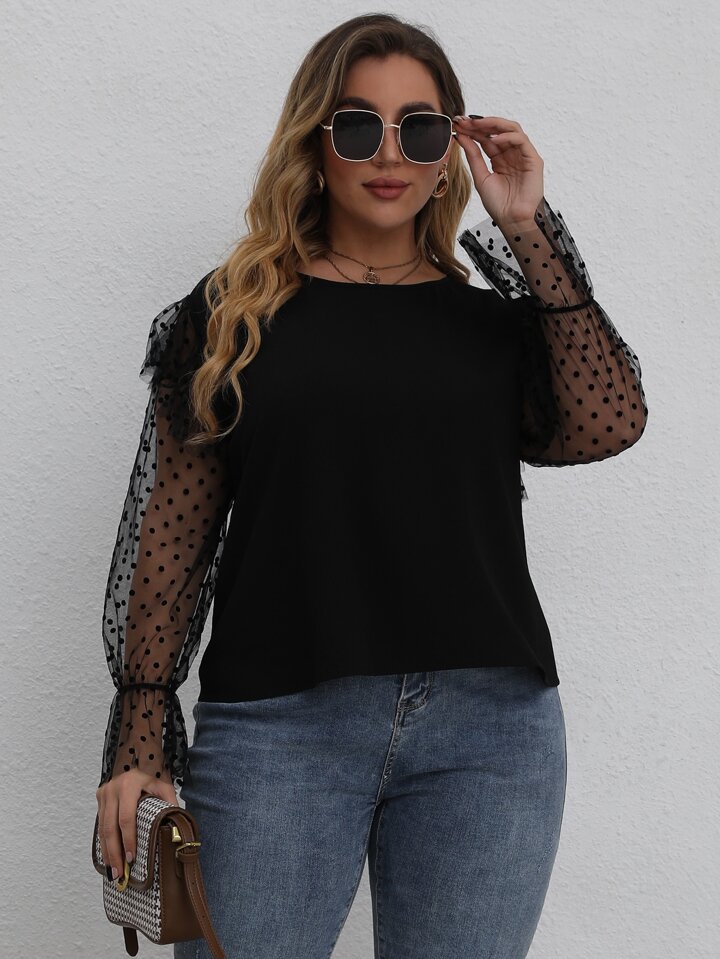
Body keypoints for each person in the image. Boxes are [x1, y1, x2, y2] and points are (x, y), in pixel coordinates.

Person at [94, 13, 648, 959]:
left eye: (420, 128)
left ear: (451, 149)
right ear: (315, 142)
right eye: (358, 126)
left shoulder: (495, 327)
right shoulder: (231, 319)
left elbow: (611, 419)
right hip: (278, 730)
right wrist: (142, 733)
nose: (389, 153)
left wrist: (525, 223)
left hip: (491, 735)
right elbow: (172, 537)